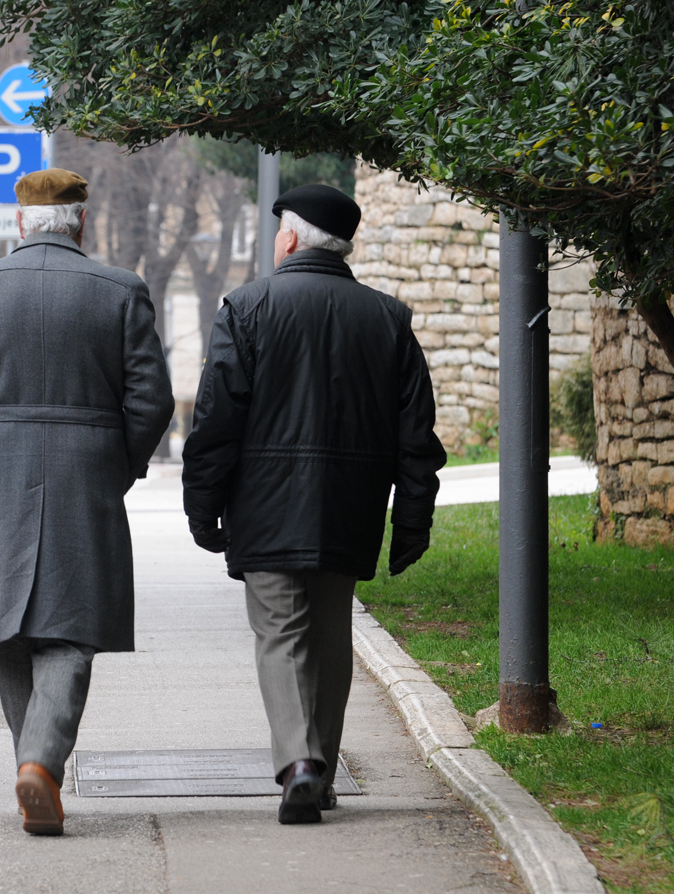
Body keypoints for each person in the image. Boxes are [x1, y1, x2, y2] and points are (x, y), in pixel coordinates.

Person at [0, 169, 173, 836]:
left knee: (12, 623)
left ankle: (35, 767)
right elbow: (153, 399)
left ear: (20, 225)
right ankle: (41, 765)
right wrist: (120, 461)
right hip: (87, 466)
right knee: (73, 626)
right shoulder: (120, 290)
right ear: (81, 223)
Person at [182, 184, 446, 825]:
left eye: (279, 232)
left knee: (281, 634)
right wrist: (411, 521)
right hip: (349, 509)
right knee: (330, 637)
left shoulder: (245, 308)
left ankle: (299, 763)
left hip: (265, 508)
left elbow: (217, 420)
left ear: (292, 238)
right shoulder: (388, 318)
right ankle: (318, 773)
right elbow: (417, 437)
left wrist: (203, 503)